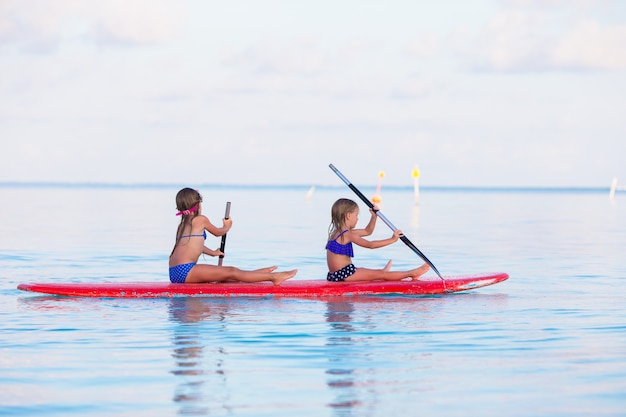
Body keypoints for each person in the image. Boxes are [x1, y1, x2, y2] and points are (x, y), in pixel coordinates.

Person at [169, 188, 297, 285]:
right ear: (198, 205)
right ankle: (274, 277)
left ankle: (254, 275)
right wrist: (227, 226)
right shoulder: (200, 220)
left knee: (227, 276)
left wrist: (213, 253)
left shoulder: (182, 225)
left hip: (174, 272)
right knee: (231, 271)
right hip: (186, 271)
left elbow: (193, 246)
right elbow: (219, 232)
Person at [325, 198, 429, 282]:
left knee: (375, 273)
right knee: (381, 274)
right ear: (348, 215)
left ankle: (381, 273)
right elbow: (370, 245)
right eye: (356, 215)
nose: (357, 218)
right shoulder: (348, 234)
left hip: (334, 275)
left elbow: (367, 231)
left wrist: (374, 216)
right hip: (345, 274)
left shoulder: (337, 233)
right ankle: (412, 273)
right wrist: (392, 239)